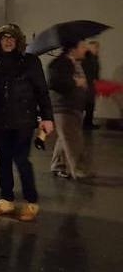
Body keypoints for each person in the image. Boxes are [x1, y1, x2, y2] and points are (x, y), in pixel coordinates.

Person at [0, 24, 54, 222]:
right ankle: (6, 200)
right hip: (0, 120)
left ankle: (31, 203)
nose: (8, 41)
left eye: (12, 37)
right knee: (3, 160)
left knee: (21, 160)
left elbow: (41, 90)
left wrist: (47, 117)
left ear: (18, 41)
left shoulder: (29, 61)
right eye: (4, 37)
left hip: (23, 120)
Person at [49, 40, 93, 179]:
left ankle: (58, 166)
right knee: (73, 140)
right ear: (73, 49)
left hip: (74, 106)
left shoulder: (76, 62)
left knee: (65, 138)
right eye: (82, 46)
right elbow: (54, 82)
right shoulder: (59, 63)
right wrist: (76, 82)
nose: (85, 49)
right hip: (64, 107)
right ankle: (79, 170)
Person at [82, 41, 101, 130]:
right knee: (88, 103)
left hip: (91, 84)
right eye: (95, 47)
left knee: (91, 104)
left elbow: (95, 71)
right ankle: (87, 123)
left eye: (97, 47)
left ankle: (88, 122)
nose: (97, 49)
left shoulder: (94, 58)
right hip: (87, 84)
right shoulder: (87, 58)